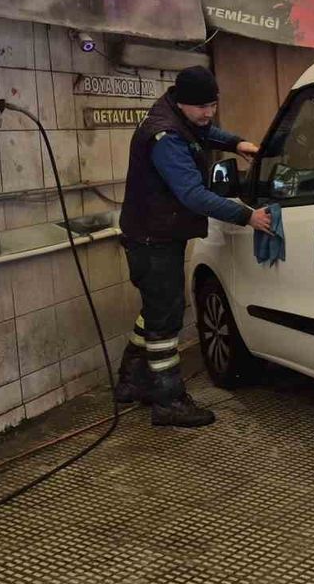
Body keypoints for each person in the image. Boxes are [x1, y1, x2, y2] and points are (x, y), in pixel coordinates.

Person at [116, 66, 272, 427]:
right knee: (165, 317)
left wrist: (236, 144)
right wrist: (246, 216)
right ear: (183, 103)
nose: (208, 113)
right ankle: (168, 400)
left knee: (157, 308)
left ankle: (132, 379)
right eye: (202, 107)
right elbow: (193, 195)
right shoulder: (166, 137)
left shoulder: (178, 117)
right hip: (152, 241)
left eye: (213, 105)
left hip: (155, 234)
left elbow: (204, 132)